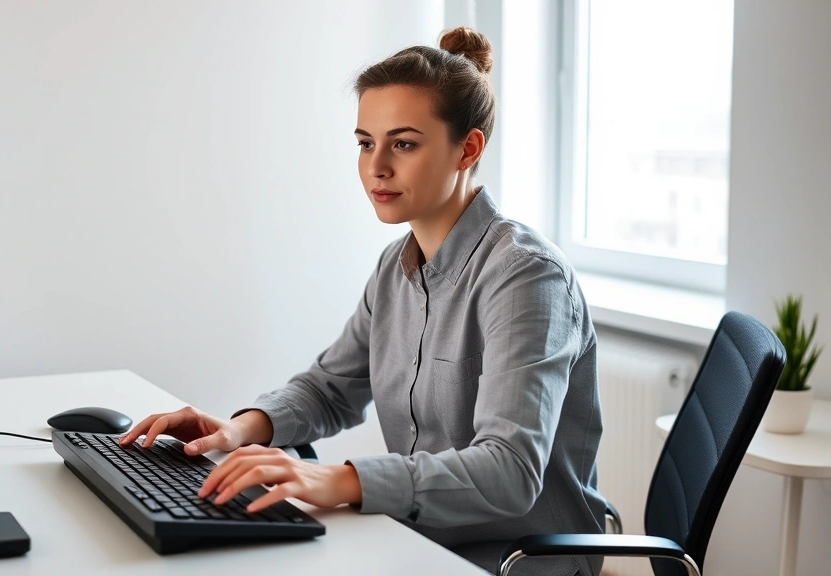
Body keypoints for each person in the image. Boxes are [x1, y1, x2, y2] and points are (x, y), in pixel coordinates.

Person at [120, 26, 605, 576]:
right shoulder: (396, 266)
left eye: (403, 143)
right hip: (416, 537)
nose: (376, 167)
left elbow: (509, 471)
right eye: (364, 143)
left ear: (467, 148)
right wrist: (233, 431)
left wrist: (340, 479)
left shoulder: (525, 278)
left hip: (513, 560)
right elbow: (329, 390)